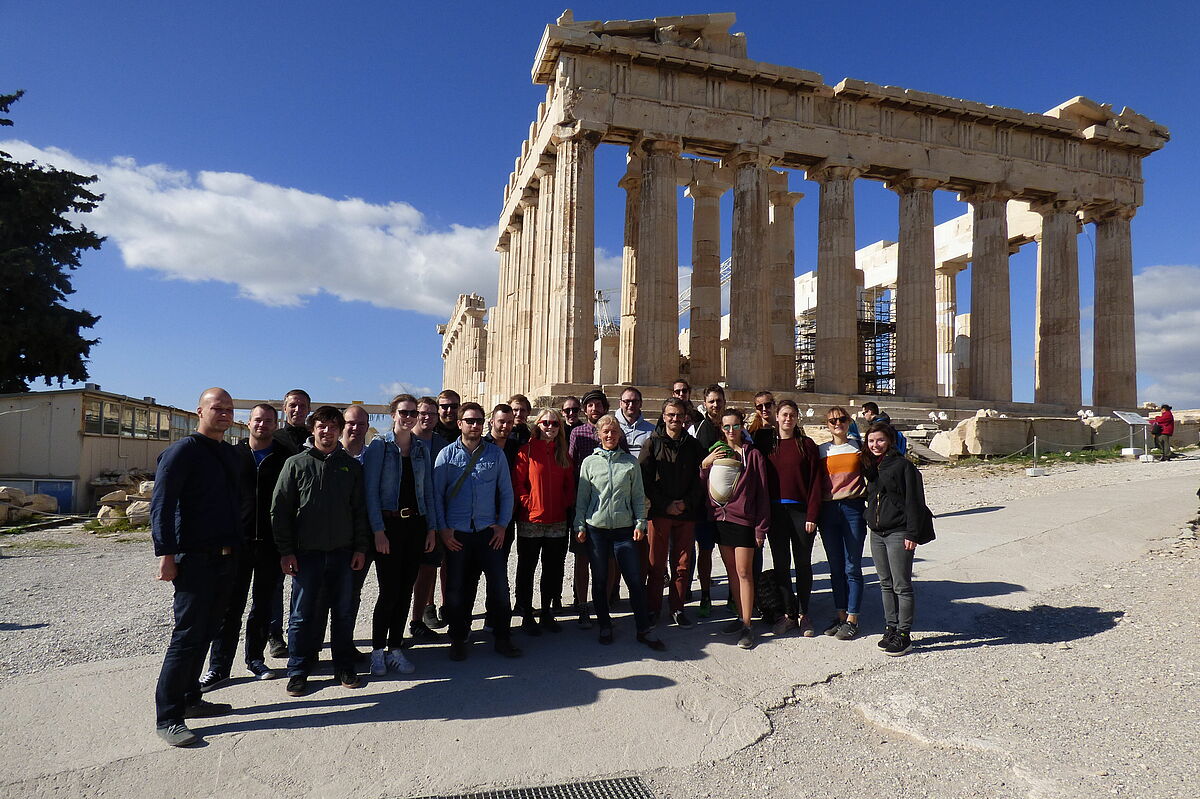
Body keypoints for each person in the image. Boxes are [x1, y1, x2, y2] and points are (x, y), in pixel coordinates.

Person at [150, 388, 242, 747]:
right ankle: (168, 716)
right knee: (187, 637)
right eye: (217, 408)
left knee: (207, 631)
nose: (224, 414)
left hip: (225, 557)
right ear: (199, 412)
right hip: (194, 559)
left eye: (228, 409)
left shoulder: (227, 453)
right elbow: (162, 505)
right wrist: (166, 555)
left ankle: (191, 699)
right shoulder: (182, 452)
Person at [272, 406, 371, 697]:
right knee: (302, 615)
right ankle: (299, 669)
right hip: (307, 554)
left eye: (332, 426)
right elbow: (280, 511)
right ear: (313, 429)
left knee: (343, 612)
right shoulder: (296, 464)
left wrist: (360, 548)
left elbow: (359, 512)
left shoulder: (351, 467)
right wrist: (286, 551)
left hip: (342, 553)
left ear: (340, 430)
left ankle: (343, 665)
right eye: (321, 426)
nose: (327, 432)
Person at [198, 403, 294, 693]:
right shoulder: (231, 455)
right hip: (235, 545)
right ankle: (219, 667)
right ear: (248, 423)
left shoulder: (284, 459)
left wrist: (288, 545)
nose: (262, 425)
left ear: (275, 425)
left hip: (270, 545)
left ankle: (255, 659)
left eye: (267, 421)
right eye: (257, 420)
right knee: (229, 608)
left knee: (262, 607)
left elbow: (291, 504)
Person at [434, 401, 520, 661]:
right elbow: (437, 497)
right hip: (457, 534)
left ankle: (502, 637)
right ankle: (459, 638)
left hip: (487, 532)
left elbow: (506, 493)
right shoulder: (446, 456)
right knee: (458, 589)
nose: (475, 425)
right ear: (459, 424)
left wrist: (503, 525)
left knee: (499, 588)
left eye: (479, 421)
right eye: (470, 420)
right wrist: (443, 530)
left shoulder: (495, 455)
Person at [363, 393, 438, 676]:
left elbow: (427, 490)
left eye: (413, 413)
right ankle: (378, 650)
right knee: (388, 591)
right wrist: (378, 531)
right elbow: (370, 493)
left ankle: (396, 648)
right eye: (403, 413)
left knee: (406, 588)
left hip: (415, 525)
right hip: (389, 525)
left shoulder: (420, 448)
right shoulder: (379, 447)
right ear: (393, 414)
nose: (408, 418)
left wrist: (431, 527)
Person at [575, 415, 664, 651]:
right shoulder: (589, 463)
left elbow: (637, 496)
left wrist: (640, 523)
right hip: (597, 529)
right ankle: (605, 624)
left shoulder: (630, 463)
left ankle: (643, 628)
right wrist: (580, 525)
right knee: (601, 579)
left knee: (634, 579)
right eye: (605, 431)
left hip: (624, 529)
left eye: (614, 431)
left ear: (619, 434)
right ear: (598, 434)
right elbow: (583, 498)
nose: (610, 435)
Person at [861, 422, 933, 656]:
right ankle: (890, 627)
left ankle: (904, 633)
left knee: (901, 585)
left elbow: (914, 500)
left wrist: (912, 533)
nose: (875, 445)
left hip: (898, 532)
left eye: (880, 440)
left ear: (890, 441)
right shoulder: (871, 466)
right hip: (878, 532)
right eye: (871, 441)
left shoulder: (903, 466)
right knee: (885, 583)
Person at [701, 408, 769, 650]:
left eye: (735, 426)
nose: (731, 431)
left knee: (744, 572)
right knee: (731, 572)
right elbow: (704, 485)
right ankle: (741, 618)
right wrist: (705, 464)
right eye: (726, 426)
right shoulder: (716, 452)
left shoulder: (753, 455)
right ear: (721, 429)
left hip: (744, 521)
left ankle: (749, 626)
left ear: (742, 427)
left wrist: (761, 529)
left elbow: (762, 492)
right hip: (721, 519)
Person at [756, 399, 823, 637]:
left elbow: (816, 483)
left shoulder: (806, 445)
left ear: (797, 418)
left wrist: (812, 514)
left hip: (801, 512)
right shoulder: (766, 445)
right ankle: (788, 614)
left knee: (803, 564)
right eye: (784, 414)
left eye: (792, 415)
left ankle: (804, 613)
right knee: (782, 565)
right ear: (777, 417)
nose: (788, 419)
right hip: (776, 513)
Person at [639, 398, 704, 628]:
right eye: (671, 415)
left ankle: (677, 608)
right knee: (655, 565)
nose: (675, 419)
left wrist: (685, 503)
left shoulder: (693, 445)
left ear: (685, 417)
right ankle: (653, 609)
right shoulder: (652, 443)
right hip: (659, 512)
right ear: (663, 416)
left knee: (682, 565)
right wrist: (665, 503)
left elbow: (700, 479)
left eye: (679, 415)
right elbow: (644, 479)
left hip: (685, 513)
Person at [513, 408, 575, 634]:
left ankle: (547, 611)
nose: (550, 427)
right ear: (537, 425)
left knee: (553, 569)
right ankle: (527, 613)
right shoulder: (526, 451)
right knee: (527, 568)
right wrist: (528, 503)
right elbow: (518, 483)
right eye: (545, 423)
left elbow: (570, 484)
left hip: (557, 520)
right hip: (531, 519)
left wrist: (564, 503)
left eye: (554, 424)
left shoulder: (563, 453)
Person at [817, 406, 868, 641]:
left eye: (841, 419)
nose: (837, 423)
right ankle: (840, 616)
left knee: (852, 566)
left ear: (848, 422)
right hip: (828, 511)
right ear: (827, 425)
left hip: (852, 509)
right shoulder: (822, 451)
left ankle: (853, 618)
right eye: (832, 421)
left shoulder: (859, 448)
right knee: (835, 567)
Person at [567, 389, 611, 628]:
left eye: (598, 405)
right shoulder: (577, 433)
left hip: (608, 505)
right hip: (583, 503)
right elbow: (571, 465)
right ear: (585, 410)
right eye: (590, 405)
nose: (594, 409)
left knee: (606, 558)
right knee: (582, 557)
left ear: (605, 407)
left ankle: (602, 604)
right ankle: (582, 605)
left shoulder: (614, 430)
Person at [410, 396, 450, 638]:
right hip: (406, 516)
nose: (426, 418)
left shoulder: (442, 445)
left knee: (427, 569)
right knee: (402, 575)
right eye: (422, 413)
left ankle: (418, 620)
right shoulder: (400, 442)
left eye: (431, 414)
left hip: (433, 516)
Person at [687, 383, 727, 617]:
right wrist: (706, 460)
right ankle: (705, 594)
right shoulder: (697, 429)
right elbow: (693, 464)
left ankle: (734, 595)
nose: (715, 405)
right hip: (704, 500)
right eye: (711, 401)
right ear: (705, 404)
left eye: (718, 401)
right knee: (705, 549)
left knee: (728, 549)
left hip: (729, 501)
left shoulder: (732, 426)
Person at [616, 386, 655, 459]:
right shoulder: (612, 428)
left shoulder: (652, 430)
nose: (631, 405)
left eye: (635, 401)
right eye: (627, 401)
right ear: (621, 403)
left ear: (640, 404)